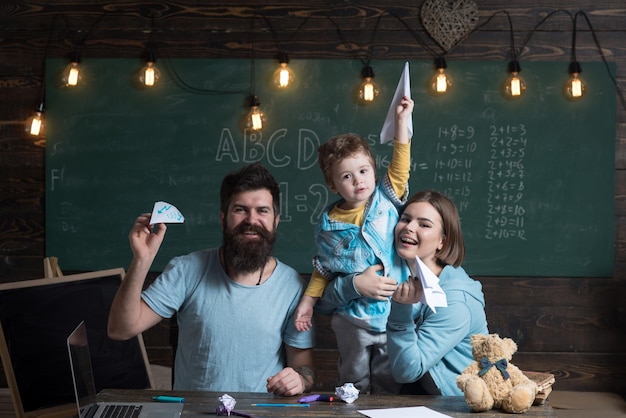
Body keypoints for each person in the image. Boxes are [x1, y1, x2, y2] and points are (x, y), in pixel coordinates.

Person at [107, 162, 315, 396]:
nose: (251, 220)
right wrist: (141, 260)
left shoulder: (293, 286)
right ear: (223, 217)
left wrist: (299, 379)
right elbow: (120, 329)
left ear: (276, 220)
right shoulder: (186, 270)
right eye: (240, 209)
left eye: (262, 211)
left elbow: (304, 368)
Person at [296, 96, 414, 394]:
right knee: (353, 380)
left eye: (363, 171)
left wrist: (401, 122)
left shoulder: (385, 200)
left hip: (392, 315)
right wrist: (307, 303)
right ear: (333, 185)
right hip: (352, 318)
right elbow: (323, 270)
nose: (358, 181)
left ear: (373, 172)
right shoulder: (329, 226)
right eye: (346, 176)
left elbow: (400, 167)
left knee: (390, 382)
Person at [385, 190, 489, 396]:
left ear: (442, 241)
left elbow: (408, 371)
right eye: (405, 219)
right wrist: (354, 284)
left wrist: (400, 314)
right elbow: (326, 303)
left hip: (450, 403)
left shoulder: (456, 301)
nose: (409, 227)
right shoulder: (393, 272)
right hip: (404, 395)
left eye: (424, 225)